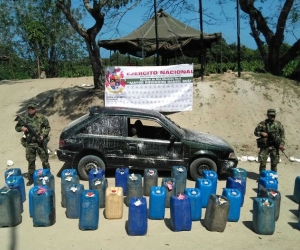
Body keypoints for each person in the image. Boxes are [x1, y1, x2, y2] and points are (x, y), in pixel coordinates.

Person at [15, 102, 51, 186]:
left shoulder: (41, 117)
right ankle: (31, 178)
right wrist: (22, 128)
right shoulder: (24, 118)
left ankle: (47, 175)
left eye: (32, 108)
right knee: (31, 161)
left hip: (39, 143)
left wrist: (43, 135)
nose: (31, 110)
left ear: (36, 109)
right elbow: (17, 128)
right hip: (30, 143)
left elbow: (48, 127)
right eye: (29, 108)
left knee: (45, 160)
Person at [254, 109, 285, 173]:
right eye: (271, 115)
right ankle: (262, 176)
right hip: (265, 146)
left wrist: (282, 144)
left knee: (274, 163)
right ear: (267, 115)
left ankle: (273, 176)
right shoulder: (262, 123)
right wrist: (261, 133)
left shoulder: (278, 124)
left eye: (274, 115)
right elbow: (255, 132)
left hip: (274, 146)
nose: (273, 117)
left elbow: (282, 135)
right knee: (262, 162)